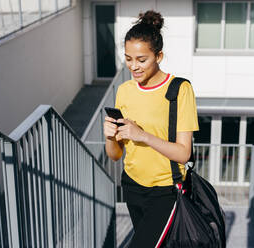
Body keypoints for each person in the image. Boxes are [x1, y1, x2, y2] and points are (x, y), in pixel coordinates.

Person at [103, 10, 199, 248]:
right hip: (132, 186)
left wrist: (142, 135)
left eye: (141, 60)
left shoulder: (180, 89)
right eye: (128, 59)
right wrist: (109, 138)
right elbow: (115, 155)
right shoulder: (124, 90)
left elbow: (183, 153)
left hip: (166, 190)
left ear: (159, 56)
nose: (133, 66)